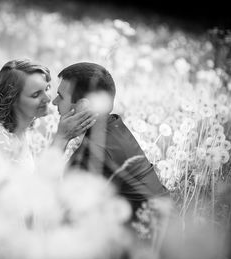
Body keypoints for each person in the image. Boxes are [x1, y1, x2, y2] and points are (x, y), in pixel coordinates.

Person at [52, 62, 169, 216]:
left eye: (61, 96)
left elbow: (52, 204)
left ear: (83, 107)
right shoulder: (115, 126)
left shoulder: (94, 152)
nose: (54, 102)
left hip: (147, 237)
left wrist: (61, 138)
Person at [0, 59, 96, 172]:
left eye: (47, 88)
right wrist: (61, 138)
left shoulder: (24, 132)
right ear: (13, 100)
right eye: (36, 94)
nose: (48, 98)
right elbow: (26, 190)